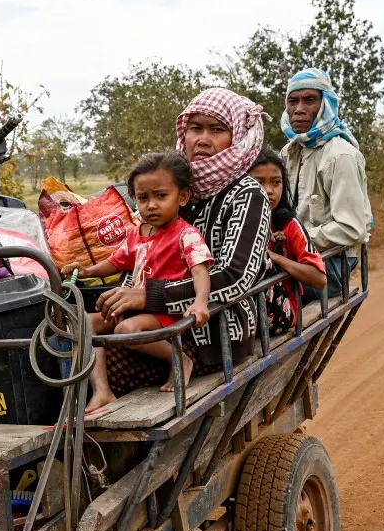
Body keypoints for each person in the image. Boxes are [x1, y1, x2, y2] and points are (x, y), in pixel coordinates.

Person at [94, 88, 272, 393]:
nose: (202, 139)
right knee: (71, 339)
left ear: (237, 138)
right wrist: (123, 297)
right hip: (155, 318)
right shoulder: (173, 186)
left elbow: (235, 277)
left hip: (211, 330)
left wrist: (150, 296)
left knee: (101, 359)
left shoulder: (248, 195)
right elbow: (141, 257)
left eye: (217, 130)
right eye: (195, 128)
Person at [63, 152, 213, 412]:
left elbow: (200, 271)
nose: (151, 205)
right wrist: (86, 271)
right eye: (143, 198)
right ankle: (102, 390)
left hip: (164, 311)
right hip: (136, 308)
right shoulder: (137, 233)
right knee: (83, 322)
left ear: (183, 196)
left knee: (125, 330)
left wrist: (200, 303)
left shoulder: (186, 234)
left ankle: (179, 357)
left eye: (161, 196)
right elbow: (116, 262)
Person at [279, 68, 373, 299]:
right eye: (293, 101)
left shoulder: (340, 156)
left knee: (263, 294)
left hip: (331, 262)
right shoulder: (289, 152)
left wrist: (296, 240)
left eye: (309, 100)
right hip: (296, 257)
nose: (299, 109)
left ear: (325, 105)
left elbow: (351, 228)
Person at [247, 148, 327, 335]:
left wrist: (273, 257)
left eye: (276, 183)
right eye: (258, 182)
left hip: (282, 315)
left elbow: (319, 278)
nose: (269, 191)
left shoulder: (289, 225)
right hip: (246, 314)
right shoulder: (235, 224)